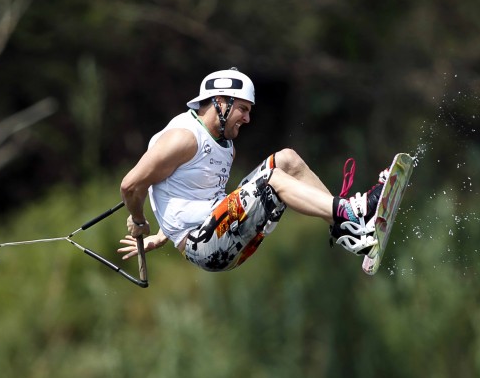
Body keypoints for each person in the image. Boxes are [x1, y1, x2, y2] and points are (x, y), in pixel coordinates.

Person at [118, 68, 388, 272]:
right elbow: (131, 186)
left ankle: (349, 230)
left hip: (219, 229)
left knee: (287, 160)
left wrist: (162, 235)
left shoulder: (226, 145)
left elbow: (182, 192)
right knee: (272, 180)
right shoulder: (183, 138)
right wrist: (139, 220)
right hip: (206, 246)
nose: (248, 118)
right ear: (220, 102)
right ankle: (353, 211)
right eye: (243, 109)